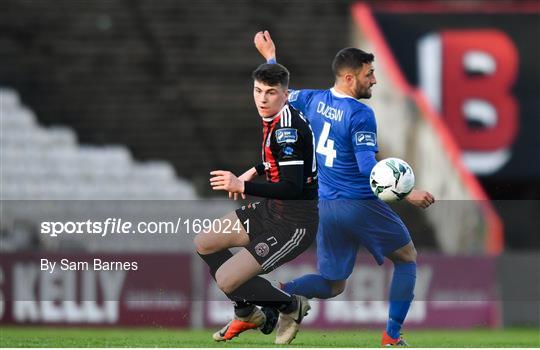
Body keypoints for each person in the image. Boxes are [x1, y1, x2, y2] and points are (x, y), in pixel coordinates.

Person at [253, 31, 435, 346]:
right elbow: (368, 168)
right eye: (369, 74)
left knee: (333, 283)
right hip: (359, 204)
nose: (375, 80)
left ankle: (282, 293)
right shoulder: (361, 114)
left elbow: (280, 92)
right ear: (350, 78)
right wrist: (408, 193)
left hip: (325, 207)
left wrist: (270, 58)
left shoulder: (313, 100)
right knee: (406, 257)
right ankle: (392, 336)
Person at [193, 62, 319, 345]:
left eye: (271, 92)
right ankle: (247, 312)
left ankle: (290, 305)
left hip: (293, 223)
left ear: (286, 94)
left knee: (227, 280)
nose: (262, 98)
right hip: (271, 210)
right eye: (258, 90)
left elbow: (292, 186)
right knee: (205, 242)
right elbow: (282, 160)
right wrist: (256, 167)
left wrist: (242, 185)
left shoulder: (287, 130)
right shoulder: (275, 117)